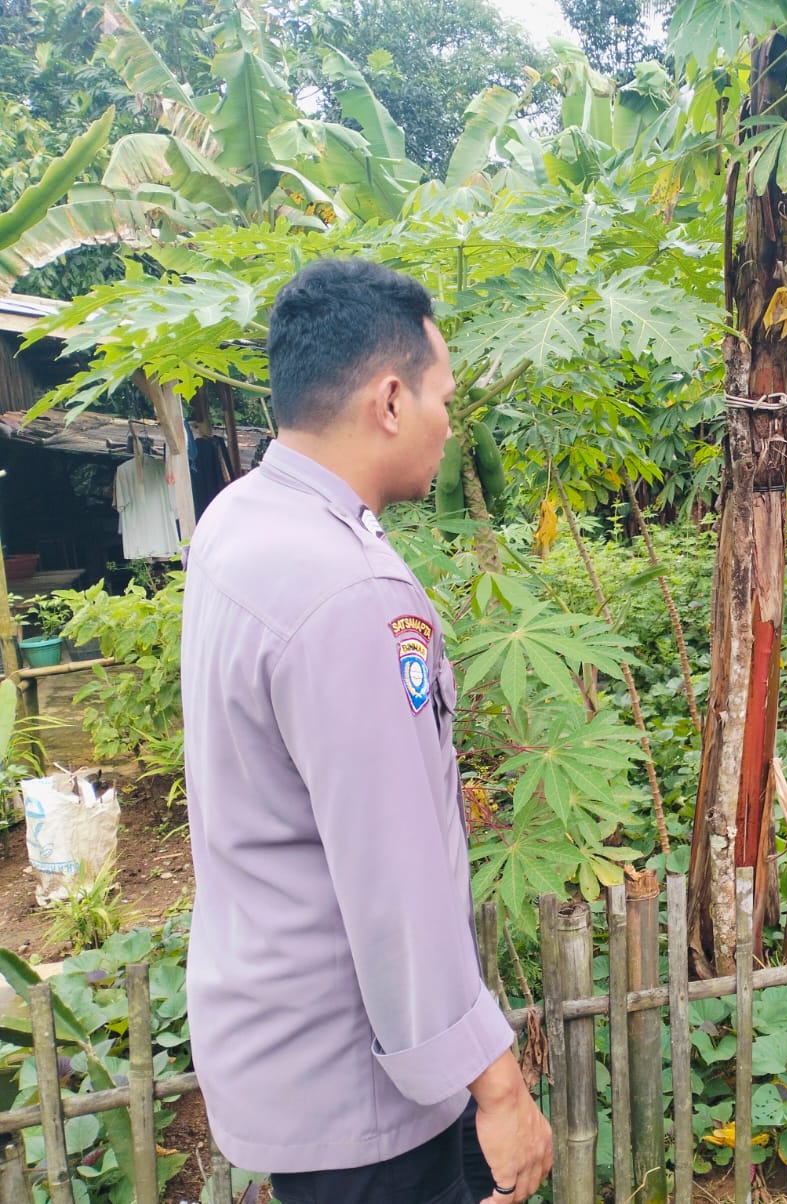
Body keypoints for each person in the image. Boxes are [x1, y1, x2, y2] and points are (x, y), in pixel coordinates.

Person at [181, 259, 552, 1204]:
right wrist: (498, 1087)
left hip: (282, 1046)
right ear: (390, 400)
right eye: (442, 396)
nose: (448, 422)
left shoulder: (242, 520)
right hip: (363, 1096)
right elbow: (397, 881)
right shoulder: (350, 595)